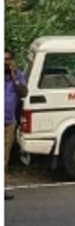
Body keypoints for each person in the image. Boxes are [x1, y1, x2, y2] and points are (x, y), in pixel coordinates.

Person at [5, 50, 28, 201]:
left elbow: (24, 93)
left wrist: (14, 78)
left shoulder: (17, 75)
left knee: (4, 158)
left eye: (7, 59)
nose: (4, 62)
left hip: (8, 122)